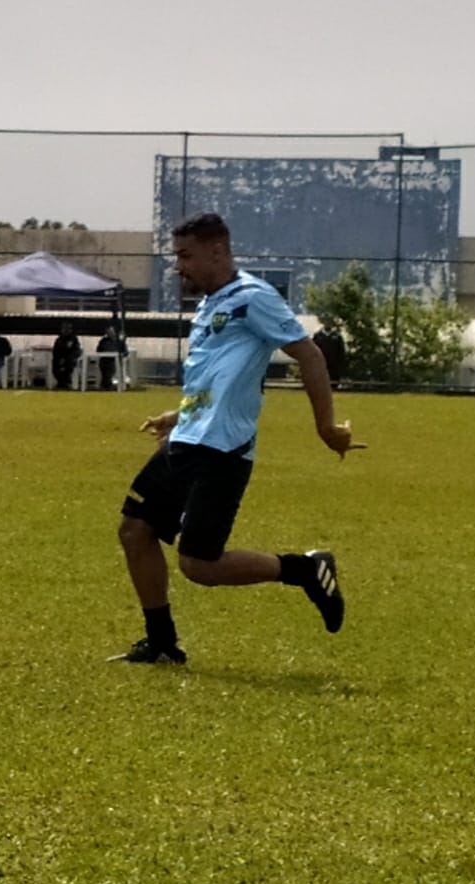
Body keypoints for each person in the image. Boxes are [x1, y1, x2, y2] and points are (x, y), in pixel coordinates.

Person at [110, 212, 364, 665]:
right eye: (177, 257)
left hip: (222, 452)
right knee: (135, 529)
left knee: (199, 565)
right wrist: (178, 413)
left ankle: (305, 568)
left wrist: (327, 428)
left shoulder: (253, 298)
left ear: (218, 251)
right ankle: (162, 642)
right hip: (186, 440)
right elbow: (218, 378)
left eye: (185, 256)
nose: (178, 267)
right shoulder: (210, 304)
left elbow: (309, 356)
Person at [312, 325, 348, 390]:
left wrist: (340, 366)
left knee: (333, 384)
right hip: (320, 365)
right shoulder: (318, 336)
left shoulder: (337, 336)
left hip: (334, 366)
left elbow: (341, 352)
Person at [51, 324, 83, 390]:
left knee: (68, 366)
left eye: (67, 329)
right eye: (64, 329)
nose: (65, 331)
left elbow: (76, 351)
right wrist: (59, 358)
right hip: (59, 359)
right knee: (55, 366)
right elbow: (55, 351)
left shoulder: (74, 339)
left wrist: (67, 358)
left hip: (70, 360)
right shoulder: (59, 340)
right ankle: (60, 382)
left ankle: (67, 383)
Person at [96, 325, 123, 390]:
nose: (110, 333)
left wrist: (120, 355)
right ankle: (107, 385)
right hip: (104, 360)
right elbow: (98, 350)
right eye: (108, 332)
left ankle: (106, 385)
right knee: (104, 367)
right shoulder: (103, 341)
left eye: (111, 331)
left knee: (110, 368)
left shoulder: (119, 341)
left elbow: (124, 351)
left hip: (115, 360)